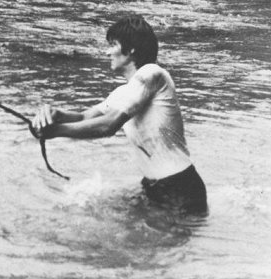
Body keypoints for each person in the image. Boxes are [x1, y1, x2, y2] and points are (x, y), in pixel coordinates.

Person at [32, 14, 207, 214]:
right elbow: (84, 117)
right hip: (153, 186)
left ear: (131, 49)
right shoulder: (124, 92)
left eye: (113, 45)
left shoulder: (151, 73)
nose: (107, 52)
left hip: (180, 188)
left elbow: (109, 125)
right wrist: (55, 115)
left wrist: (55, 131)